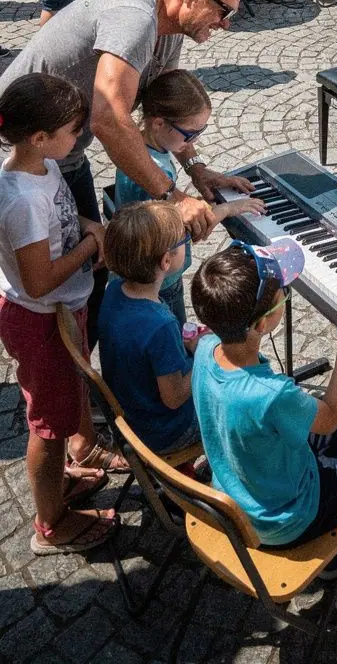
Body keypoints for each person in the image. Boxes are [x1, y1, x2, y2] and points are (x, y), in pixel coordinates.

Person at [0, 0, 253, 345]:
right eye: (224, 11)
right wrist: (173, 196)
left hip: (61, 152)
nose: (224, 24)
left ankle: (95, 370)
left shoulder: (167, 31)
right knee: (73, 269)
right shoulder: (136, 21)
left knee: (94, 264)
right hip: (27, 151)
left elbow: (165, 107)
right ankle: (73, 372)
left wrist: (196, 168)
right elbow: (109, 119)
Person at [191, 241, 337, 618]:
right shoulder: (271, 394)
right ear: (261, 324)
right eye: (283, 295)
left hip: (237, 493)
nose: (286, 296)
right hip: (283, 518)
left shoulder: (206, 347)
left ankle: (335, 543)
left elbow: (336, 420)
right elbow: (329, 414)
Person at [0, 73, 122, 556]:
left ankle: (66, 477)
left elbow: (65, 223)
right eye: (73, 131)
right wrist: (93, 244)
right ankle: (50, 525)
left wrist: (92, 227)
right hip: (39, 318)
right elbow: (38, 280)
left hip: (62, 311)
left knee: (67, 402)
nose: (80, 138)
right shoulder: (22, 199)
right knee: (48, 428)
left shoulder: (43, 169)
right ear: (39, 137)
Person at [112, 70, 263, 324]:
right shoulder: (154, 172)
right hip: (162, 282)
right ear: (159, 123)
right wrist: (228, 209)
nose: (194, 140)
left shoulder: (143, 152)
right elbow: (181, 231)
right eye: (191, 134)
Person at [98, 202, 201, 455]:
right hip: (167, 433)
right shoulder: (160, 325)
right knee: (231, 396)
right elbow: (175, 397)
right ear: (166, 260)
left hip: (134, 419)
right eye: (182, 241)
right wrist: (205, 357)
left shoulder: (113, 292)